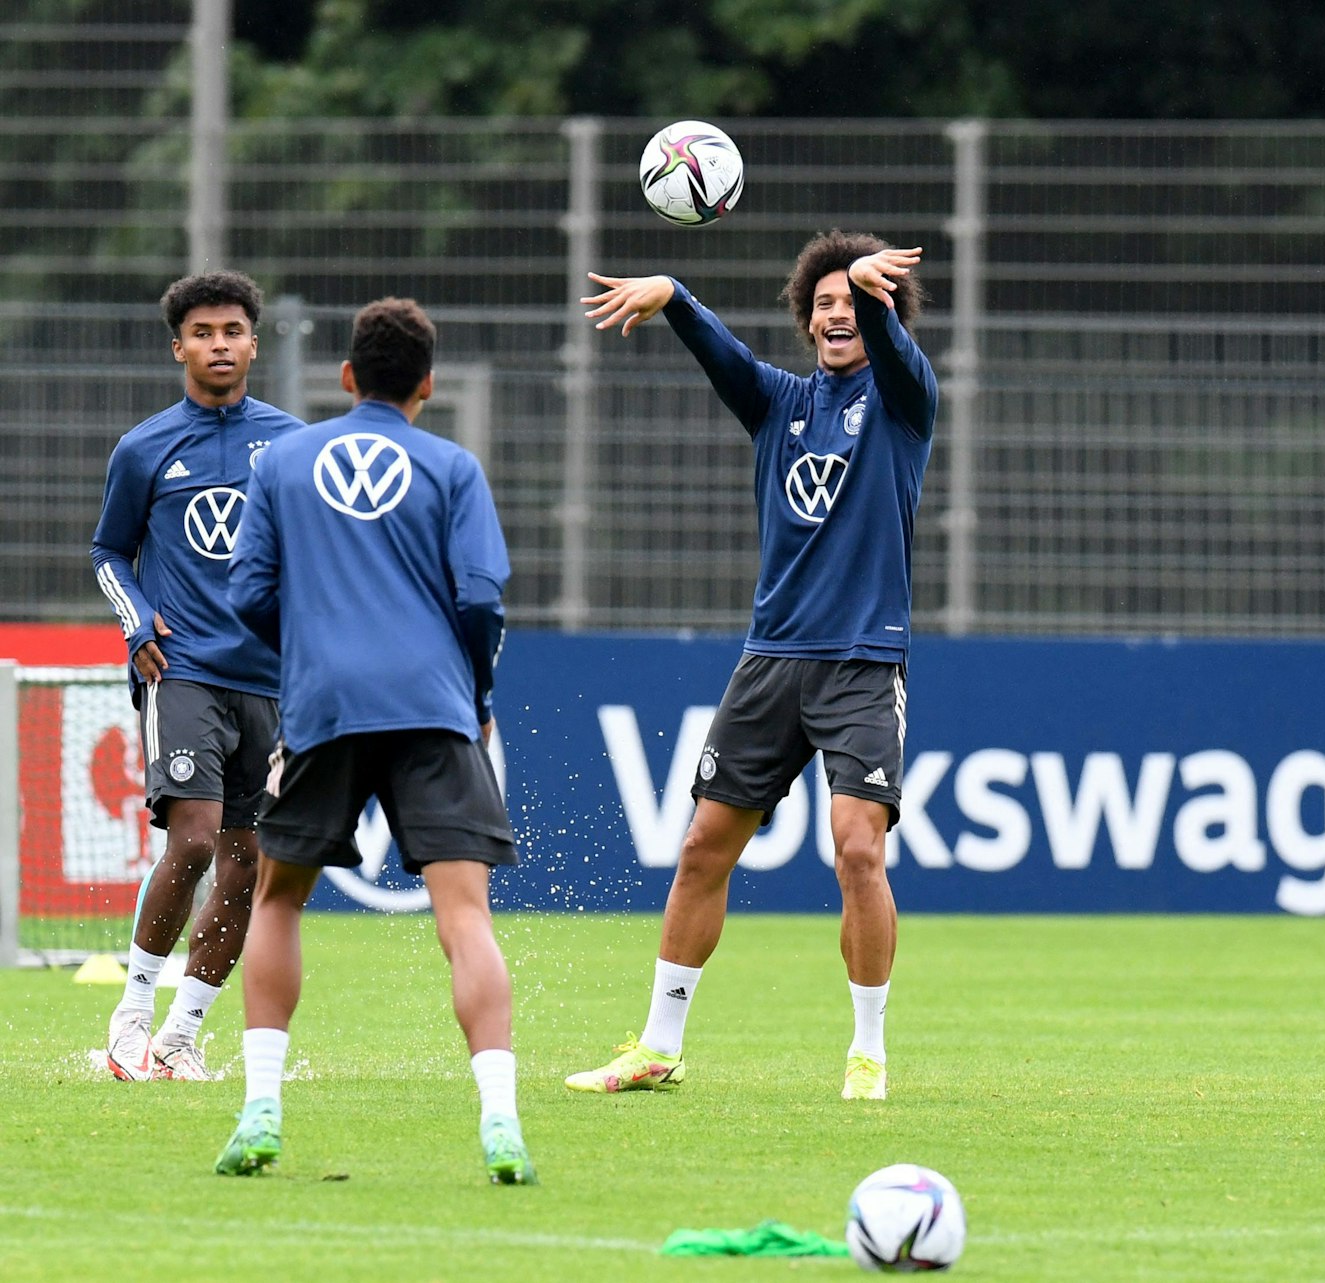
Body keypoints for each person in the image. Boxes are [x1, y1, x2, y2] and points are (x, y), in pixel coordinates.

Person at [564, 231, 937, 1102]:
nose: (837, 312)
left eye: (853, 301)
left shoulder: (906, 401)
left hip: (860, 662)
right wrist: (676, 296)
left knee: (857, 852)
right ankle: (658, 1046)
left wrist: (879, 301)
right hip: (771, 661)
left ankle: (868, 1051)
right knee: (700, 848)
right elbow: (723, 358)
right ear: (807, 322)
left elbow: (894, 351)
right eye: (825, 303)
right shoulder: (778, 404)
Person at [216, 298, 533, 1184]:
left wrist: (315, 645)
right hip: (433, 705)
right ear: (428, 385)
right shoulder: (453, 467)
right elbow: (481, 600)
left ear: (347, 376)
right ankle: (501, 1121)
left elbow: (247, 595)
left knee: (278, 899)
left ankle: (261, 1108)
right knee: (463, 915)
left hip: (322, 707)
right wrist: (475, 690)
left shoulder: (282, 459)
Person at [90, 271, 303, 1081]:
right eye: (203, 332)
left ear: (254, 342)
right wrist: (135, 616)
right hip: (183, 671)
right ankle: (132, 1013)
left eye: (233, 331)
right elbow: (108, 551)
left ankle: (181, 1037)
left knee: (247, 862)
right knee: (194, 838)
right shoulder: (144, 446)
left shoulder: (291, 443)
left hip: (271, 682)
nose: (219, 344)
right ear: (177, 345)